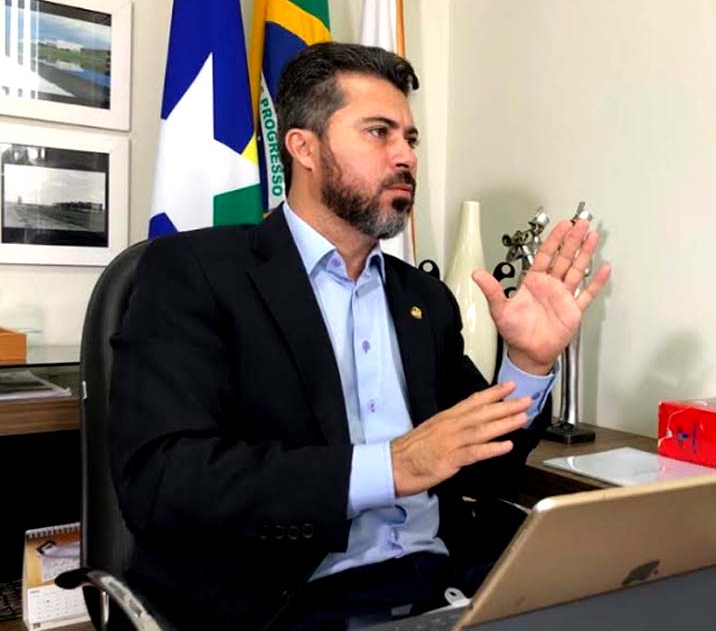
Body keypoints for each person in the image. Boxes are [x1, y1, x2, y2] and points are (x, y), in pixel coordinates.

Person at [109, 42, 611, 630]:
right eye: (379, 133)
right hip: (286, 604)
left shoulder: (424, 299)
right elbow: (165, 481)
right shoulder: (194, 272)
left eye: (411, 139)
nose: (406, 157)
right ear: (304, 147)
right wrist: (390, 466)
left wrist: (526, 364)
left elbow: (483, 471)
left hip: (441, 588)